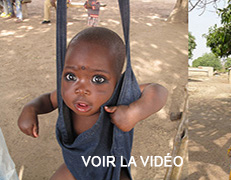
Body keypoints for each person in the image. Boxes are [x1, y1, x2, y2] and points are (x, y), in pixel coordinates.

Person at [17, 27, 168, 179]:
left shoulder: (120, 94)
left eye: (98, 79)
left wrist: (134, 112)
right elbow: (48, 99)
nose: (81, 89)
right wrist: (31, 108)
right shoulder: (65, 96)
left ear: (117, 82)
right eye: (71, 76)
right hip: (77, 167)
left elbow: (157, 90)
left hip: (111, 170)